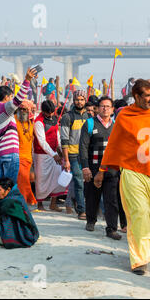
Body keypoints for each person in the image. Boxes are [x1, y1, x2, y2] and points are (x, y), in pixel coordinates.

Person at [98, 79, 150, 275]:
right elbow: (114, 143)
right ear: (137, 97)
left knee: (149, 215)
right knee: (138, 212)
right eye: (147, 96)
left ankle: (144, 244)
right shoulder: (125, 115)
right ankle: (139, 260)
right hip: (132, 171)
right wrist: (102, 170)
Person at [79, 96, 123, 240]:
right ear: (97, 108)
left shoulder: (116, 125)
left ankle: (111, 228)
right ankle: (91, 221)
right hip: (93, 168)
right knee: (92, 196)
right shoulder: (90, 124)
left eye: (108, 106)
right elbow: (83, 147)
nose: (105, 109)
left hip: (112, 169)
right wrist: (85, 167)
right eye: (102, 106)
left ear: (112, 110)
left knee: (112, 199)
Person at [0, 68, 36, 182]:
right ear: (6, 97)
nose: (12, 100)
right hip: (10, 153)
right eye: (11, 97)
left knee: (3, 187)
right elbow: (18, 99)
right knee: (12, 186)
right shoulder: (4, 108)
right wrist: (27, 80)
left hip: (1, 153)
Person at [60, 90, 90, 220]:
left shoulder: (89, 117)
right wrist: (66, 160)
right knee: (78, 181)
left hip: (86, 154)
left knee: (88, 181)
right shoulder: (67, 117)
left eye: (82, 99)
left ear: (85, 100)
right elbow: (64, 140)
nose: (79, 102)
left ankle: (88, 208)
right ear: (74, 100)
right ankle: (82, 210)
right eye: (77, 99)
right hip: (73, 154)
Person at [34, 100, 67, 212]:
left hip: (54, 153)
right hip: (42, 155)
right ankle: (40, 204)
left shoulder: (54, 119)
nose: (51, 115)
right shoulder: (38, 122)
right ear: (43, 111)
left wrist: (59, 148)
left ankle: (53, 203)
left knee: (57, 177)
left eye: (52, 112)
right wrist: (53, 155)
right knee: (41, 179)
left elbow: (57, 134)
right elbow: (42, 141)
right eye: (49, 113)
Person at [15, 100, 37, 206]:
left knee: (25, 180)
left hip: (28, 157)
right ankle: (23, 202)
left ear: (29, 111)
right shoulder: (14, 120)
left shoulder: (31, 122)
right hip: (17, 156)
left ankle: (25, 200)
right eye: (21, 109)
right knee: (22, 180)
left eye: (25, 109)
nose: (22, 111)